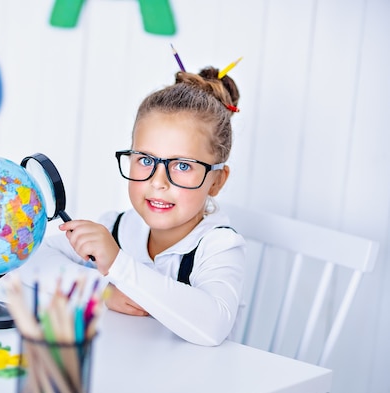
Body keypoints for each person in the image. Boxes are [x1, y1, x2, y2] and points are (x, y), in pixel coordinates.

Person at [20, 65, 246, 347]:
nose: (159, 182)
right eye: (146, 160)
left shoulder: (219, 246)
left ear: (216, 181)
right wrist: (101, 289)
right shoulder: (117, 227)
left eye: (183, 165)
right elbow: (30, 258)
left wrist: (119, 265)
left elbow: (213, 325)